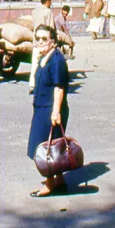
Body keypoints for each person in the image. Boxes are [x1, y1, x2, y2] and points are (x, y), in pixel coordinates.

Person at [28, 24, 70, 197]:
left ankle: (49, 183)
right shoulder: (43, 57)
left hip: (50, 110)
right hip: (42, 107)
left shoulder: (57, 60)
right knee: (53, 146)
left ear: (53, 41)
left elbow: (59, 88)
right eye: (37, 38)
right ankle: (59, 179)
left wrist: (55, 111)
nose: (40, 42)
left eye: (44, 39)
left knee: (42, 148)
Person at [29, 0, 54, 91]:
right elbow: (51, 27)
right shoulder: (48, 12)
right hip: (45, 39)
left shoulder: (34, 11)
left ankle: (32, 84)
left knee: (34, 62)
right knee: (46, 61)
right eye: (50, 1)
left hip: (36, 38)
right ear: (47, 1)